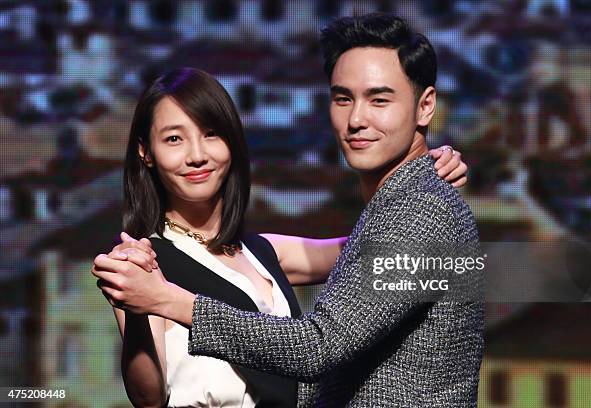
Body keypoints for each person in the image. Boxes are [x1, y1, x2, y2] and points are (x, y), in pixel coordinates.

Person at [94, 64, 468, 408]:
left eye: (210, 134)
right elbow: (148, 397)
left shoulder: (262, 250)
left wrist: (424, 170)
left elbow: (377, 249)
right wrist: (144, 305)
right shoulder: (143, 260)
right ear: (146, 152)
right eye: (174, 139)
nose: (196, 155)